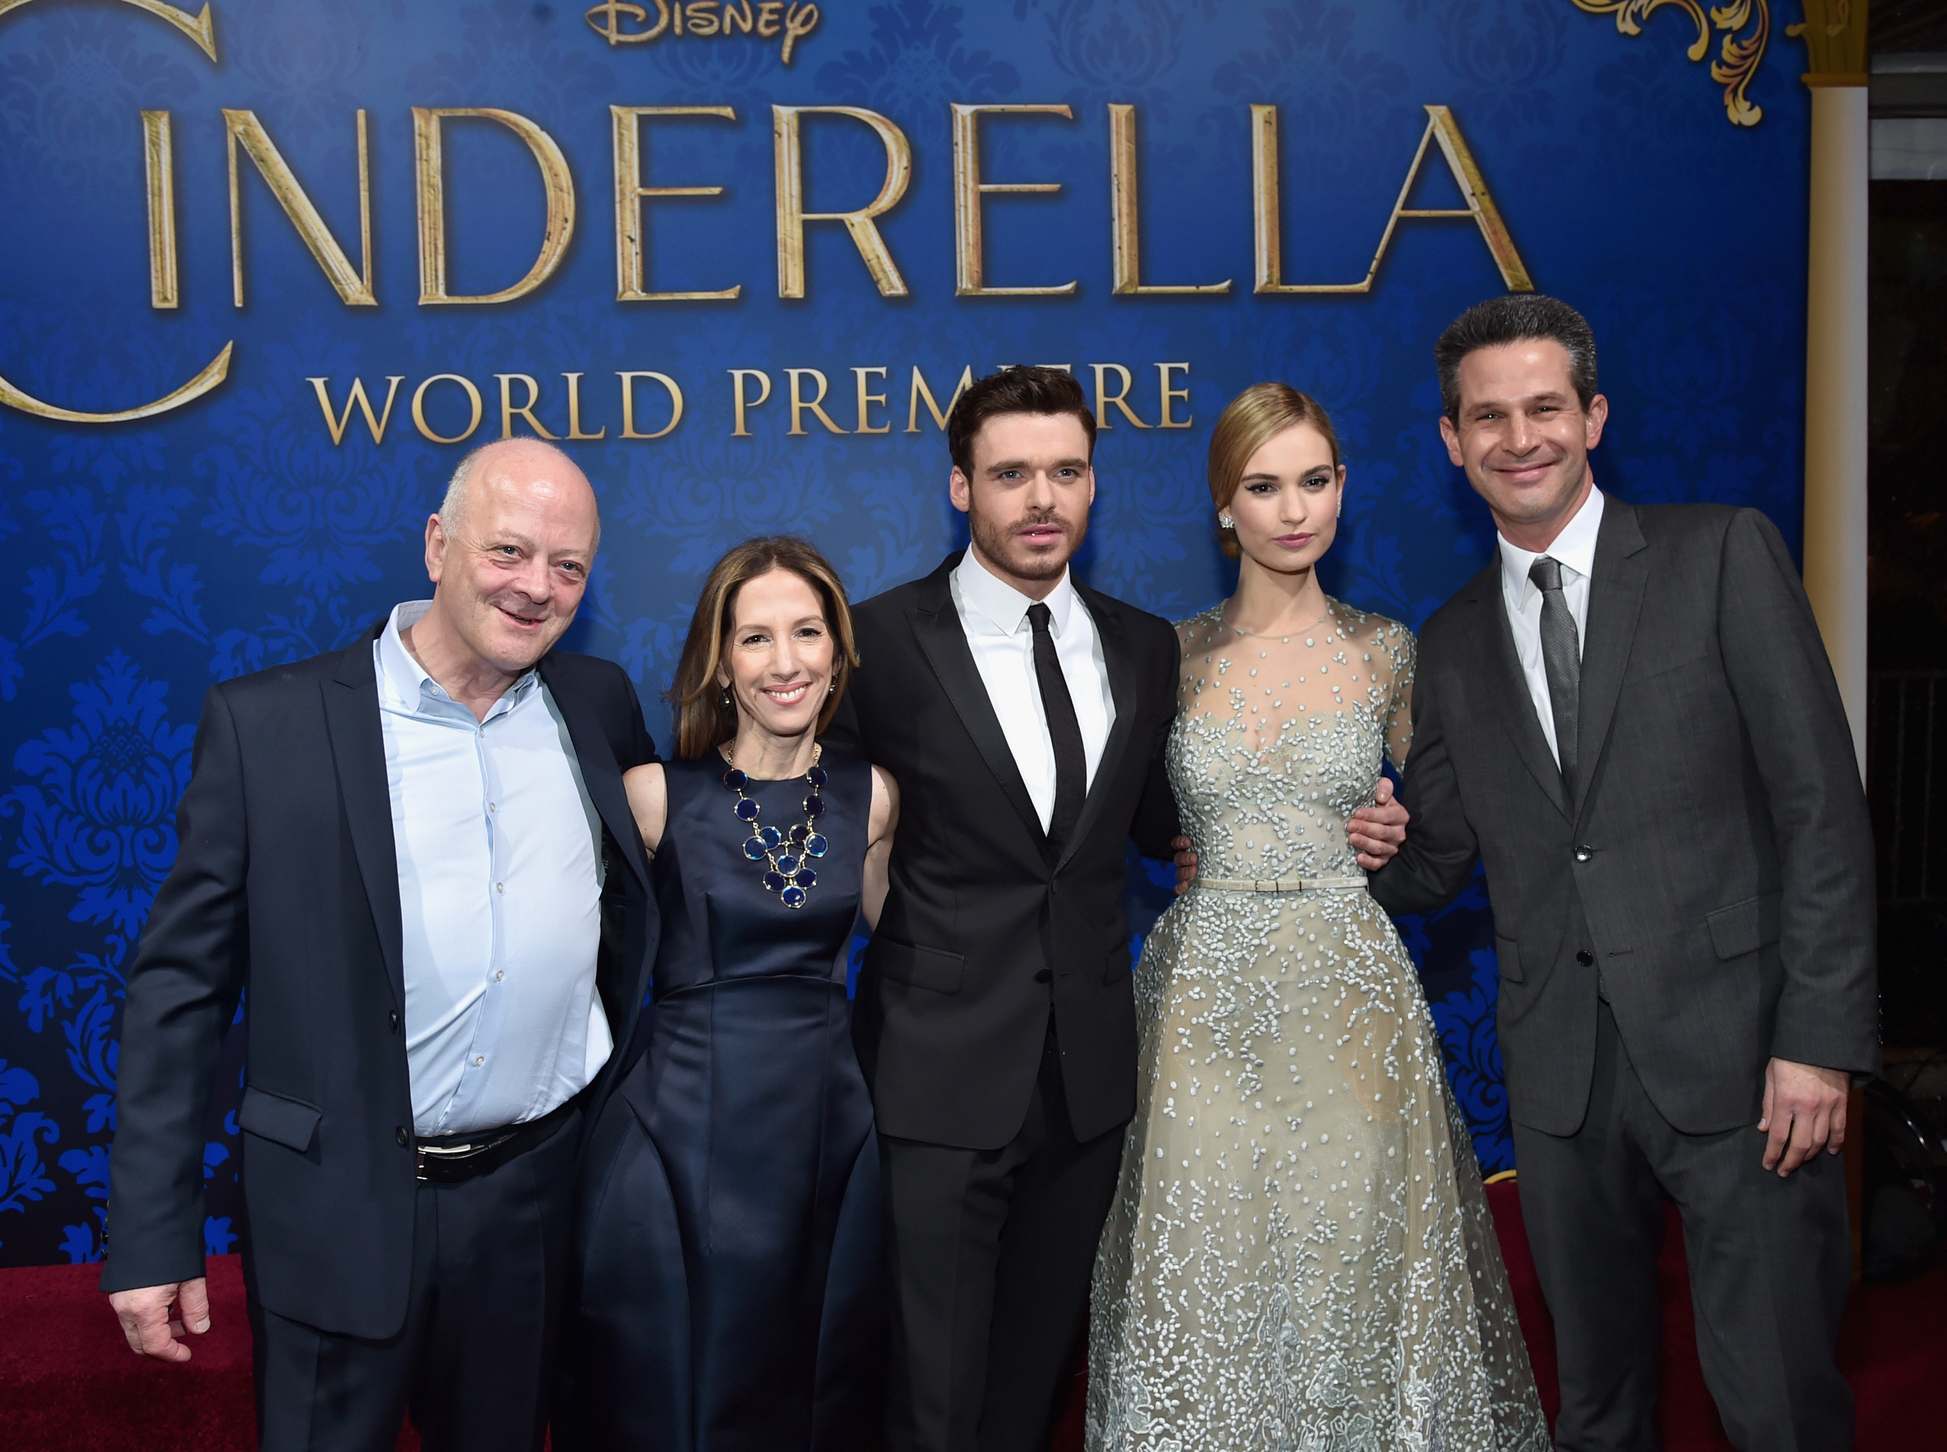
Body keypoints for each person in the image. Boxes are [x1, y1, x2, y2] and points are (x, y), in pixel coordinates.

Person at [823, 366, 1408, 1452]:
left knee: (1028, 1385)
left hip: (1093, 1083)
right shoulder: (875, 645)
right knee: (929, 1397)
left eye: (1065, 471)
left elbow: (1168, 826)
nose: (1040, 498)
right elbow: (823, 832)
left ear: (1094, 485)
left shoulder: (1143, 647)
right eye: (1010, 474)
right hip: (937, 1073)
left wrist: (1354, 822)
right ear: (960, 488)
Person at [1369, 295, 1878, 1452]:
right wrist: (1315, 845)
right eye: (1485, 417)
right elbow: (1439, 859)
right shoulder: (1446, 641)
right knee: (1597, 1408)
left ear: (1591, 416)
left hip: (1746, 1062)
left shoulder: (1720, 554)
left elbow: (1820, 812)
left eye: (1543, 407)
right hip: (1558, 1084)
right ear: (1450, 442)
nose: (1518, 438)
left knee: (1777, 1403)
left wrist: (1819, 1039)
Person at [101, 439, 660, 1451]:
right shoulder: (267, 726)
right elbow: (178, 990)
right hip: (334, 1207)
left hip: (532, 1205)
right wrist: (148, 1233)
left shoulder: (598, 706)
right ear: (438, 546)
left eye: (567, 567)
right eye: (508, 551)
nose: (536, 587)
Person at [1084, 382, 1548, 1451]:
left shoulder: (1389, 650)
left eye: (1312, 481)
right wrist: (1166, 845)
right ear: (1221, 508)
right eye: (1262, 486)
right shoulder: (1168, 655)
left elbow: (1454, 823)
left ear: (1341, 490)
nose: (1291, 510)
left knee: (1355, 1274)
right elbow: (1110, 813)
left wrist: (1393, 834)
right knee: (1207, 1279)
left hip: (1349, 1000)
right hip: (1202, 1001)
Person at [563, 537, 898, 1451]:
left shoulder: (873, 799)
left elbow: (915, 943)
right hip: (672, 1136)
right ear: (719, 660)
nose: (785, 662)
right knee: (673, 1398)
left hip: (826, 1139)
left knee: (815, 1394)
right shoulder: (651, 797)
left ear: (837, 652)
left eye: (807, 633)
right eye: (755, 639)